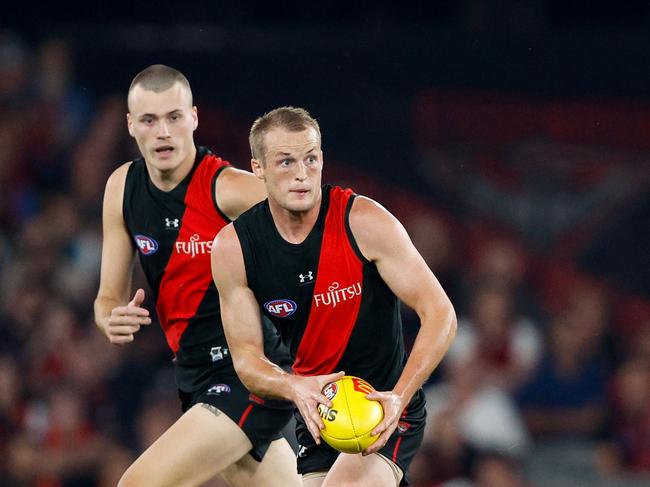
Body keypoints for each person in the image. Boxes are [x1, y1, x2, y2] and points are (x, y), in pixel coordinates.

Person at [211, 106, 457, 486]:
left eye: (310, 159)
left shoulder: (365, 222)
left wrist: (399, 396)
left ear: (322, 160)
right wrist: (294, 386)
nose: (301, 174)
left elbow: (440, 314)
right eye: (285, 162)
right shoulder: (235, 248)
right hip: (317, 417)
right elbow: (247, 361)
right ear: (257, 168)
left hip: (382, 412)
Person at [94, 65, 300, 487]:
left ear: (194, 118)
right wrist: (110, 317)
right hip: (193, 376)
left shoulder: (228, 190)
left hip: (249, 372)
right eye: (149, 120)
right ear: (132, 126)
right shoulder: (122, 189)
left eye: (174, 117)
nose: (163, 132)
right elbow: (107, 297)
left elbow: (317, 222)